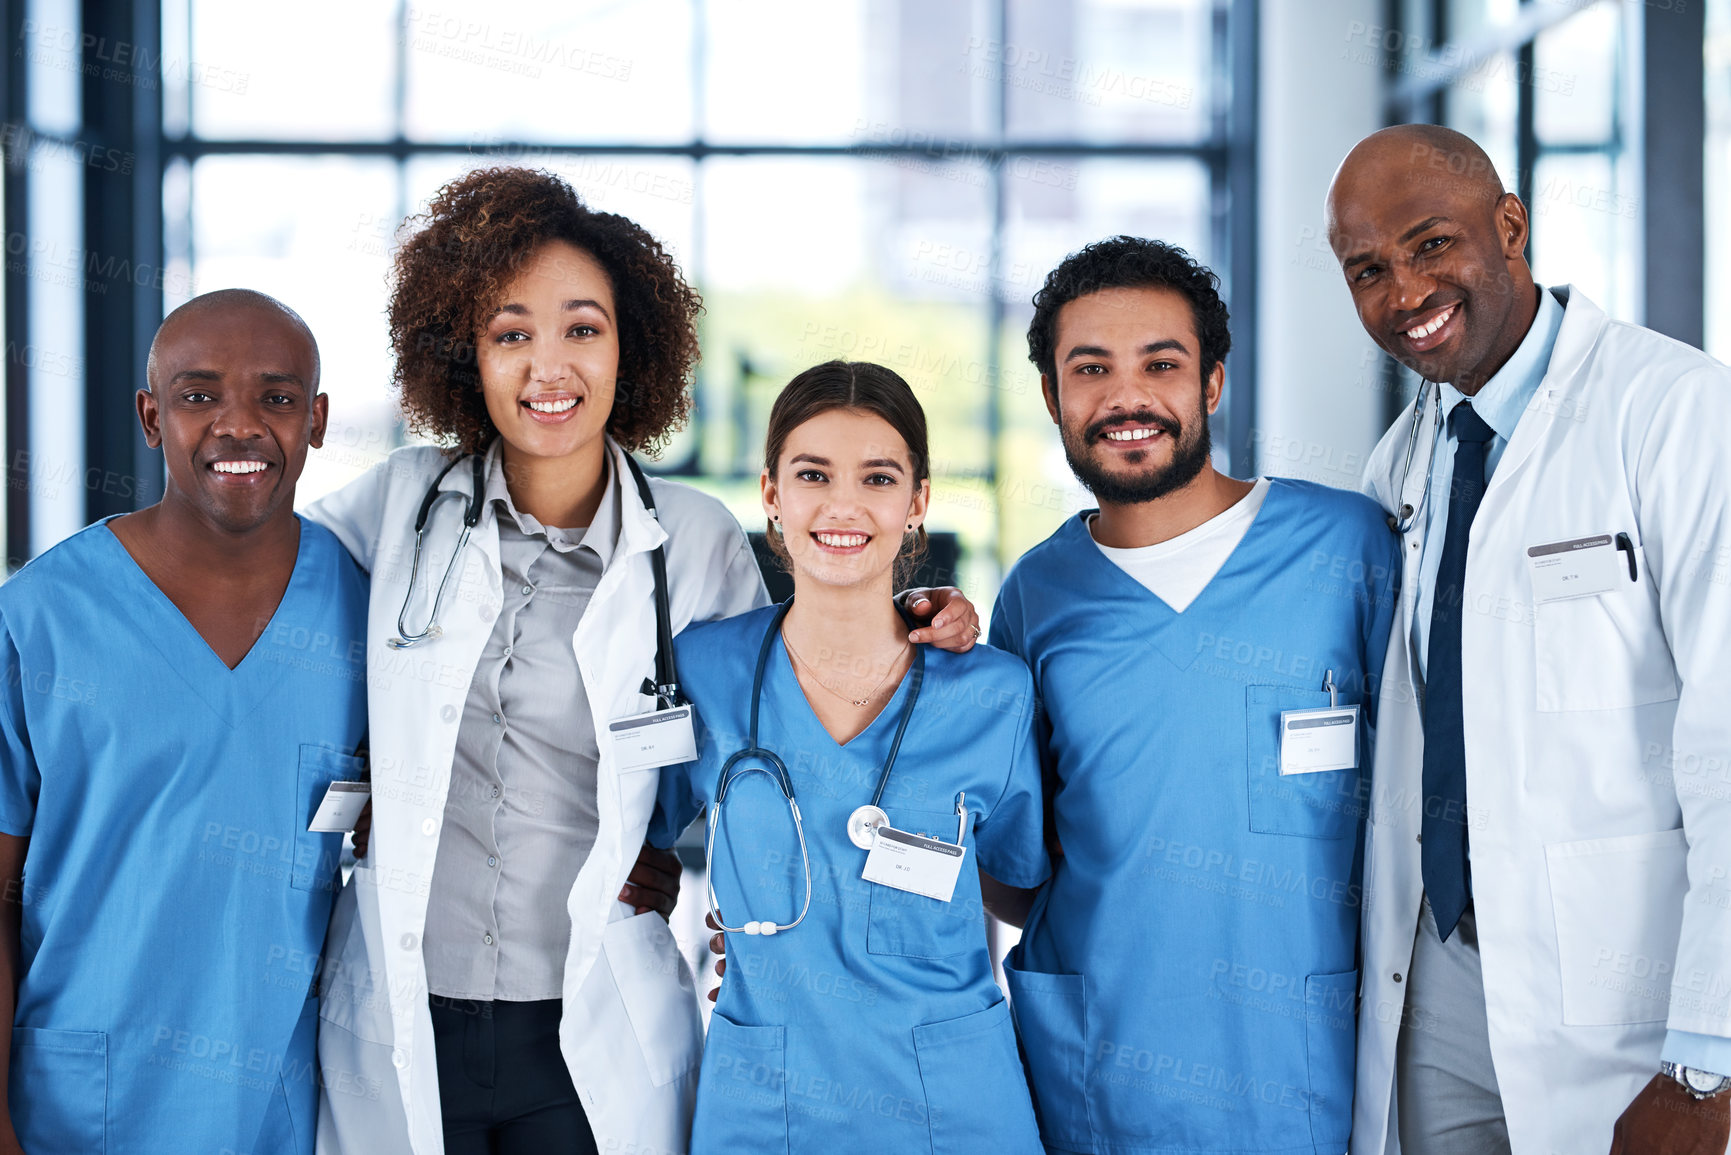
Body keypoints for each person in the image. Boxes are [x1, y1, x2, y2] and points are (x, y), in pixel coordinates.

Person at [307, 168, 981, 1155]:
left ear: (631, 347)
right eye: (511, 334)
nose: (550, 367)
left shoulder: (693, 540)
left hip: (590, 1024)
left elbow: (787, 718)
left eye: (583, 328)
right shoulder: (399, 504)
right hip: (407, 1011)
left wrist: (919, 619)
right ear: (465, 353)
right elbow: (267, 610)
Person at [1327, 124, 1731, 1155]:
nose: (1405, 293)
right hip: (1441, 984)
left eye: (1430, 244)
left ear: (1510, 226)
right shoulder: (1406, 460)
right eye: (1368, 270)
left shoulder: (1678, 414)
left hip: (1634, 1004)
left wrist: (1705, 1062)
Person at [986, 237, 1399, 1154]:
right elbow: (1012, 863)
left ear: (1211, 382)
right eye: (1089, 369)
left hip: (1306, 1069)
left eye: (1160, 364)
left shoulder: (1348, 549)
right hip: (1099, 1074)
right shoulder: (1037, 596)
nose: (1125, 398)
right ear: (1053, 398)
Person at [0, 290, 367, 1154]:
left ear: (315, 419)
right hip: (78, 1107)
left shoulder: (370, 616)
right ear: (150, 414)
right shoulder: (42, 617)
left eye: (276, 398)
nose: (238, 425)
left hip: (281, 1114)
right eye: (199, 395)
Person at [647, 360, 1046, 1152]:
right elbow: (630, 842)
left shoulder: (991, 691)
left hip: (954, 1100)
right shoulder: (704, 670)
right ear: (770, 494)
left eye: (877, 477)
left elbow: (1020, 886)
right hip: (767, 1093)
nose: (842, 505)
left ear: (917, 501)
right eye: (812, 473)